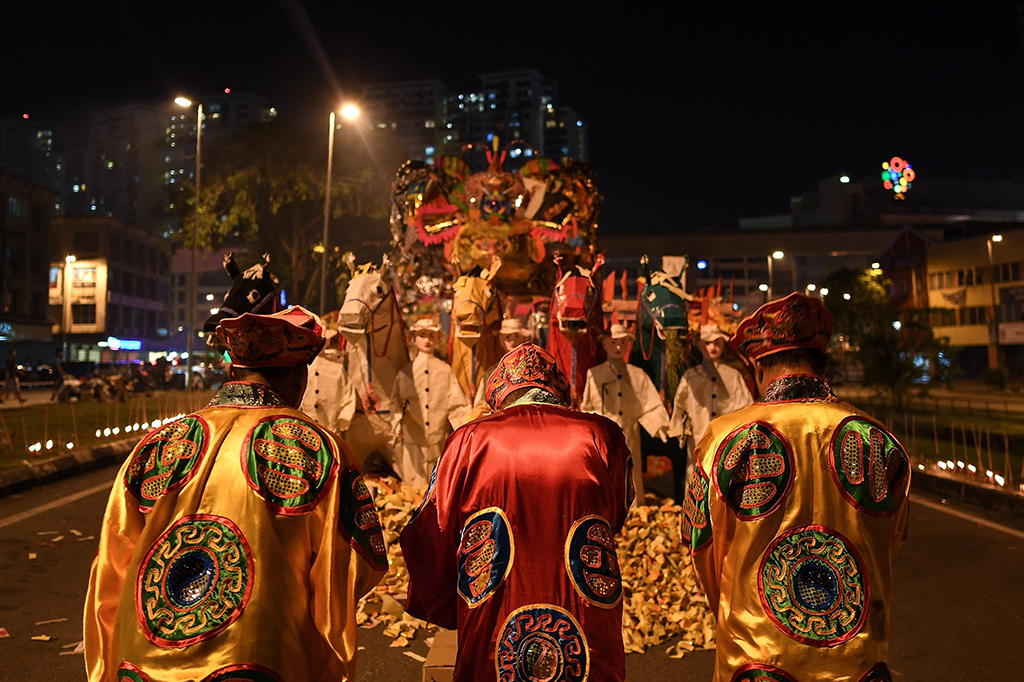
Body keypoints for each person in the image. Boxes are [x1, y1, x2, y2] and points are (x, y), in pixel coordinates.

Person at [84, 306, 388, 682]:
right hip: (258, 656)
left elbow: (111, 566)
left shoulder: (158, 444)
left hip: (146, 657)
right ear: (299, 377)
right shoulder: (319, 449)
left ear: (232, 370)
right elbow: (356, 563)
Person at [683, 293, 910, 682]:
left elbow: (701, 542)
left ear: (757, 366)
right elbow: (892, 538)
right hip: (856, 653)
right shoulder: (877, 436)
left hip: (759, 652)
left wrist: (729, 604)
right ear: (824, 364)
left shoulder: (726, 438)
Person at [401, 343, 632, 682]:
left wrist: (444, 598)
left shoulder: (469, 439)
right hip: (583, 601)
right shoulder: (601, 433)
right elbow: (616, 514)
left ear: (500, 390)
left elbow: (432, 526)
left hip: (495, 603)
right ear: (556, 387)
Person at [581, 323, 670, 503]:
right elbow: (587, 408)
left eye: (622, 342)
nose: (618, 347)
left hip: (630, 436)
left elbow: (649, 403)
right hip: (604, 439)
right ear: (605, 344)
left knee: (630, 472)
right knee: (606, 472)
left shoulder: (637, 375)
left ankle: (633, 510)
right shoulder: (594, 375)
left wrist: (659, 424)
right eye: (613, 343)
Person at [669, 323, 753, 485]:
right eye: (707, 343)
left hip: (726, 440)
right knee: (696, 475)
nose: (712, 348)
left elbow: (745, 407)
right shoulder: (691, 377)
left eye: (717, 343)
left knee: (723, 477)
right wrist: (679, 431)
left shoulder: (732, 376)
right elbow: (679, 405)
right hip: (698, 437)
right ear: (699, 346)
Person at [391, 318, 470, 488]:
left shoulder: (444, 371)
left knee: (437, 487)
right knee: (413, 490)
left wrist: (465, 431)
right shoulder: (406, 373)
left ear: (437, 338)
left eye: (431, 336)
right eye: (422, 335)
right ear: (414, 338)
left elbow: (457, 407)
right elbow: (395, 404)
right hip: (413, 444)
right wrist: (395, 427)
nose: (427, 340)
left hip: (438, 444)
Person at [466, 317, 532, 421]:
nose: (512, 341)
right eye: (507, 337)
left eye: (517, 336)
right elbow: (480, 405)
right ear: (501, 340)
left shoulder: (533, 367)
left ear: (524, 338)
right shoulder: (493, 372)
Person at [300, 328, 358, 433]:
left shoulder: (337, 368)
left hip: (330, 431)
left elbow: (348, 396)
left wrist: (343, 420)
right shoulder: (303, 368)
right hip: (305, 430)